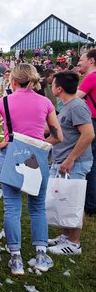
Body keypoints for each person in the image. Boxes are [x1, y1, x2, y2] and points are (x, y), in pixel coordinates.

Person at [0, 63, 63, 275]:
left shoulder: (5, 101)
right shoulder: (45, 102)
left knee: (12, 208)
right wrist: (42, 145)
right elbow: (58, 135)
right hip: (37, 159)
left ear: (13, 81)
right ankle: (41, 255)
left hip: (10, 155)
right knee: (37, 207)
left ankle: (16, 258)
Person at [47, 71, 94, 255]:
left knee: (74, 200)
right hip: (64, 161)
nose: (51, 88)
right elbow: (62, 134)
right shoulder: (67, 106)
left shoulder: (76, 107)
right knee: (65, 199)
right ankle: (66, 236)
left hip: (75, 162)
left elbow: (89, 134)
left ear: (59, 89)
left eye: (52, 85)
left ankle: (74, 243)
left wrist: (71, 158)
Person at [76, 49, 96, 217]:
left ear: (91, 61)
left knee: (90, 163)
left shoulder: (91, 77)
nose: (79, 62)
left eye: (81, 59)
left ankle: (90, 204)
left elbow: (73, 98)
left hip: (92, 122)